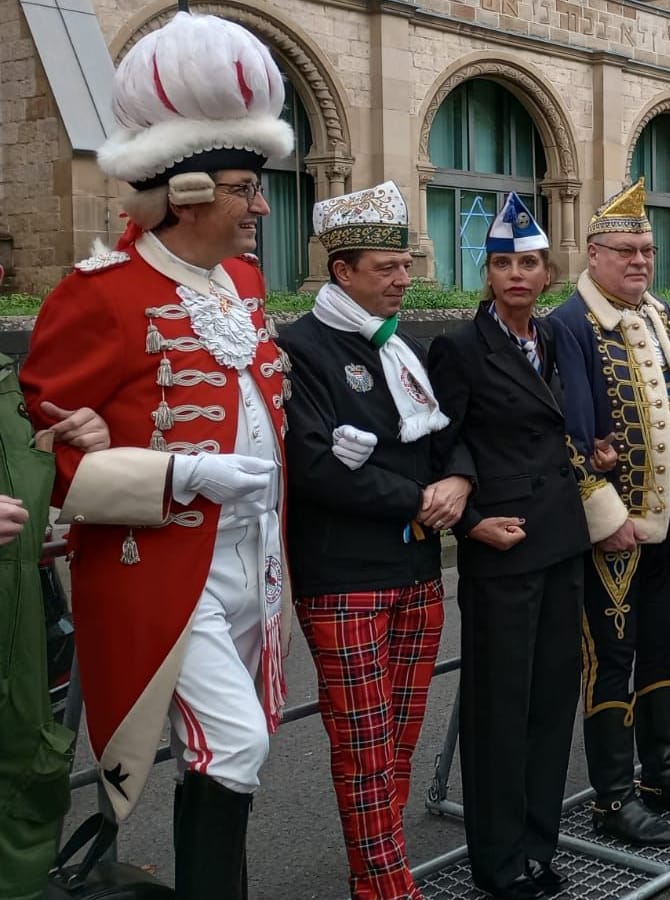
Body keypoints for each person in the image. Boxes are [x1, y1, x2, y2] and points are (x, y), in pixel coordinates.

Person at [19, 15, 293, 896]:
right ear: (185, 190)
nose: (260, 207)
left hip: (252, 555)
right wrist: (177, 473)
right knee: (236, 742)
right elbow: (43, 448)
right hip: (164, 562)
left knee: (233, 747)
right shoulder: (97, 295)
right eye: (247, 189)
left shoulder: (244, 284)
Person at [277, 181, 467, 900]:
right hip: (345, 579)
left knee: (398, 745)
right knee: (364, 748)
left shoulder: (406, 350)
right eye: (386, 268)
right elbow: (317, 464)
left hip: (417, 572)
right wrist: (421, 496)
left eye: (405, 266)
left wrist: (461, 484)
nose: (402, 279)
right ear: (343, 272)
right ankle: (385, 885)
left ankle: (379, 873)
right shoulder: (298, 350)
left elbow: (452, 437)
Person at [547, 179, 670, 843]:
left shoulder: (652, 312)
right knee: (612, 660)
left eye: (647, 250)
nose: (640, 261)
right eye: (625, 251)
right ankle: (614, 799)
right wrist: (604, 513)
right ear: (593, 255)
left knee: (663, 650)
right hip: (614, 535)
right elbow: (566, 435)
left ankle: (663, 775)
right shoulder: (569, 324)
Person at [425, 194, 588, 899]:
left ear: (547, 271)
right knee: (499, 711)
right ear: (486, 275)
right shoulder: (460, 347)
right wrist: (469, 524)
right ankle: (496, 862)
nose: (516, 274)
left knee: (553, 703)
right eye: (502, 264)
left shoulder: (552, 335)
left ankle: (538, 845)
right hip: (502, 544)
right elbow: (440, 441)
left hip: (560, 540)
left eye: (527, 262)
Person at [0, 368, 108, 900]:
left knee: (26, 786)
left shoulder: (11, 384)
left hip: (25, 633)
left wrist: (90, 446)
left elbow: (59, 493)